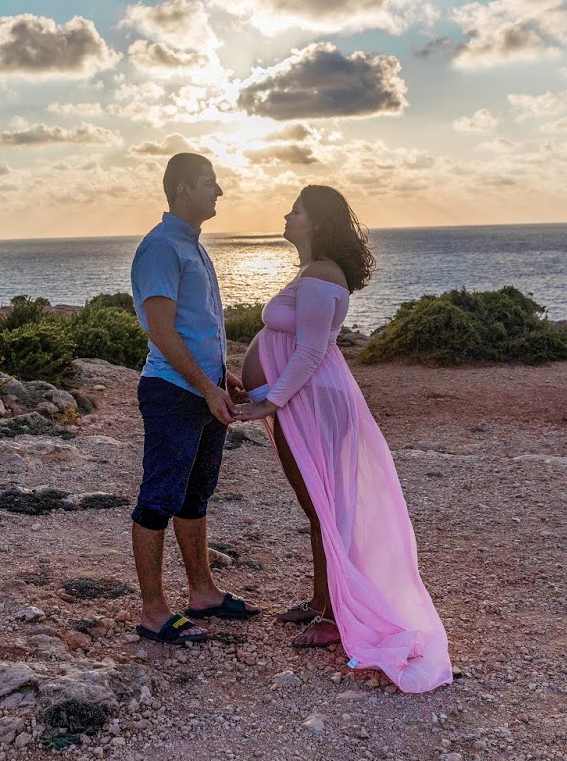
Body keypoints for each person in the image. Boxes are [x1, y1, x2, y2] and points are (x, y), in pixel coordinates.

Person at [234, 185, 453, 693]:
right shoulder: (313, 273)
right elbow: (295, 345)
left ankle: (336, 616)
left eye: (296, 210)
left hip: (311, 403)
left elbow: (310, 351)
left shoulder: (321, 274)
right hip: (302, 401)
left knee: (326, 509)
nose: (287, 216)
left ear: (316, 222)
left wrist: (270, 400)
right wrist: (261, 389)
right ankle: (321, 602)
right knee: (319, 508)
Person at [127, 153, 259, 644]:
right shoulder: (161, 247)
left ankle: (202, 592)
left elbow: (194, 326)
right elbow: (160, 331)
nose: (218, 191)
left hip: (202, 393)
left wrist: (219, 376)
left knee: (195, 497)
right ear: (183, 189)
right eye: (209, 183)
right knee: (158, 500)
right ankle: (153, 612)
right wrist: (206, 388)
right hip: (174, 394)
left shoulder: (189, 245)